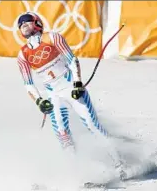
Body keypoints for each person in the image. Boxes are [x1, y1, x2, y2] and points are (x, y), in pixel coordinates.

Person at [16, 12, 108, 151]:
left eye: (27, 21)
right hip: (54, 94)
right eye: (21, 23)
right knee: (62, 133)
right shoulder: (22, 55)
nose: (23, 24)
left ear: (37, 23)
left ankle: (119, 162)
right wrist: (39, 101)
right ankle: (74, 167)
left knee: (92, 125)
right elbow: (28, 84)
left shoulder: (53, 37)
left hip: (70, 86)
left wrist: (77, 83)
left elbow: (71, 59)